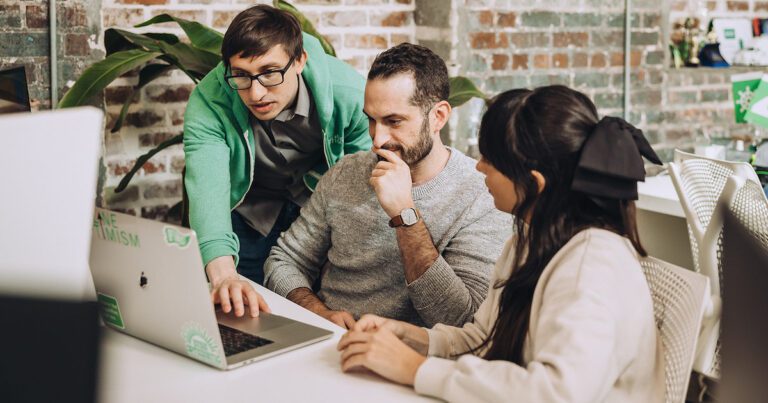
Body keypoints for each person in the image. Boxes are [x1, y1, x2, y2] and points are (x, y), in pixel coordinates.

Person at [336, 85, 666, 402]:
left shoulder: (592, 266)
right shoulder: (527, 241)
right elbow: (482, 339)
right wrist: (411, 339)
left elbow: (556, 394)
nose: (479, 166)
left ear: (533, 185)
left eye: (490, 160)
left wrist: (415, 368)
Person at [263, 43, 509, 329]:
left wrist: (405, 215)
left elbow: (461, 320)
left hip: (405, 359)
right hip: (329, 340)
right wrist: (319, 313)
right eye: (372, 120)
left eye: (394, 121)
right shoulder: (347, 172)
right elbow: (284, 261)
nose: (378, 140)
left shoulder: (482, 195)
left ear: (438, 116)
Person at [183, 5, 371, 317]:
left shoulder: (349, 95)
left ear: (299, 61)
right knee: (244, 314)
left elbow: (360, 182)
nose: (256, 93)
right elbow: (207, 185)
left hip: (315, 212)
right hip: (249, 213)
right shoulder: (209, 101)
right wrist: (224, 276)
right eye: (241, 76)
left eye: (270, 73)